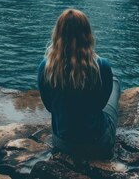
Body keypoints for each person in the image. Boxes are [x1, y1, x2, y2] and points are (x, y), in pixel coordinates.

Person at [37, 9, 121, 159]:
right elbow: (101, 105)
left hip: (62, 143)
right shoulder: (101, 65)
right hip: (97, 143)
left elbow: (50, 106)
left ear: (58, 34)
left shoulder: (46, 67)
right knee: (115, 81)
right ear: (87, 34)